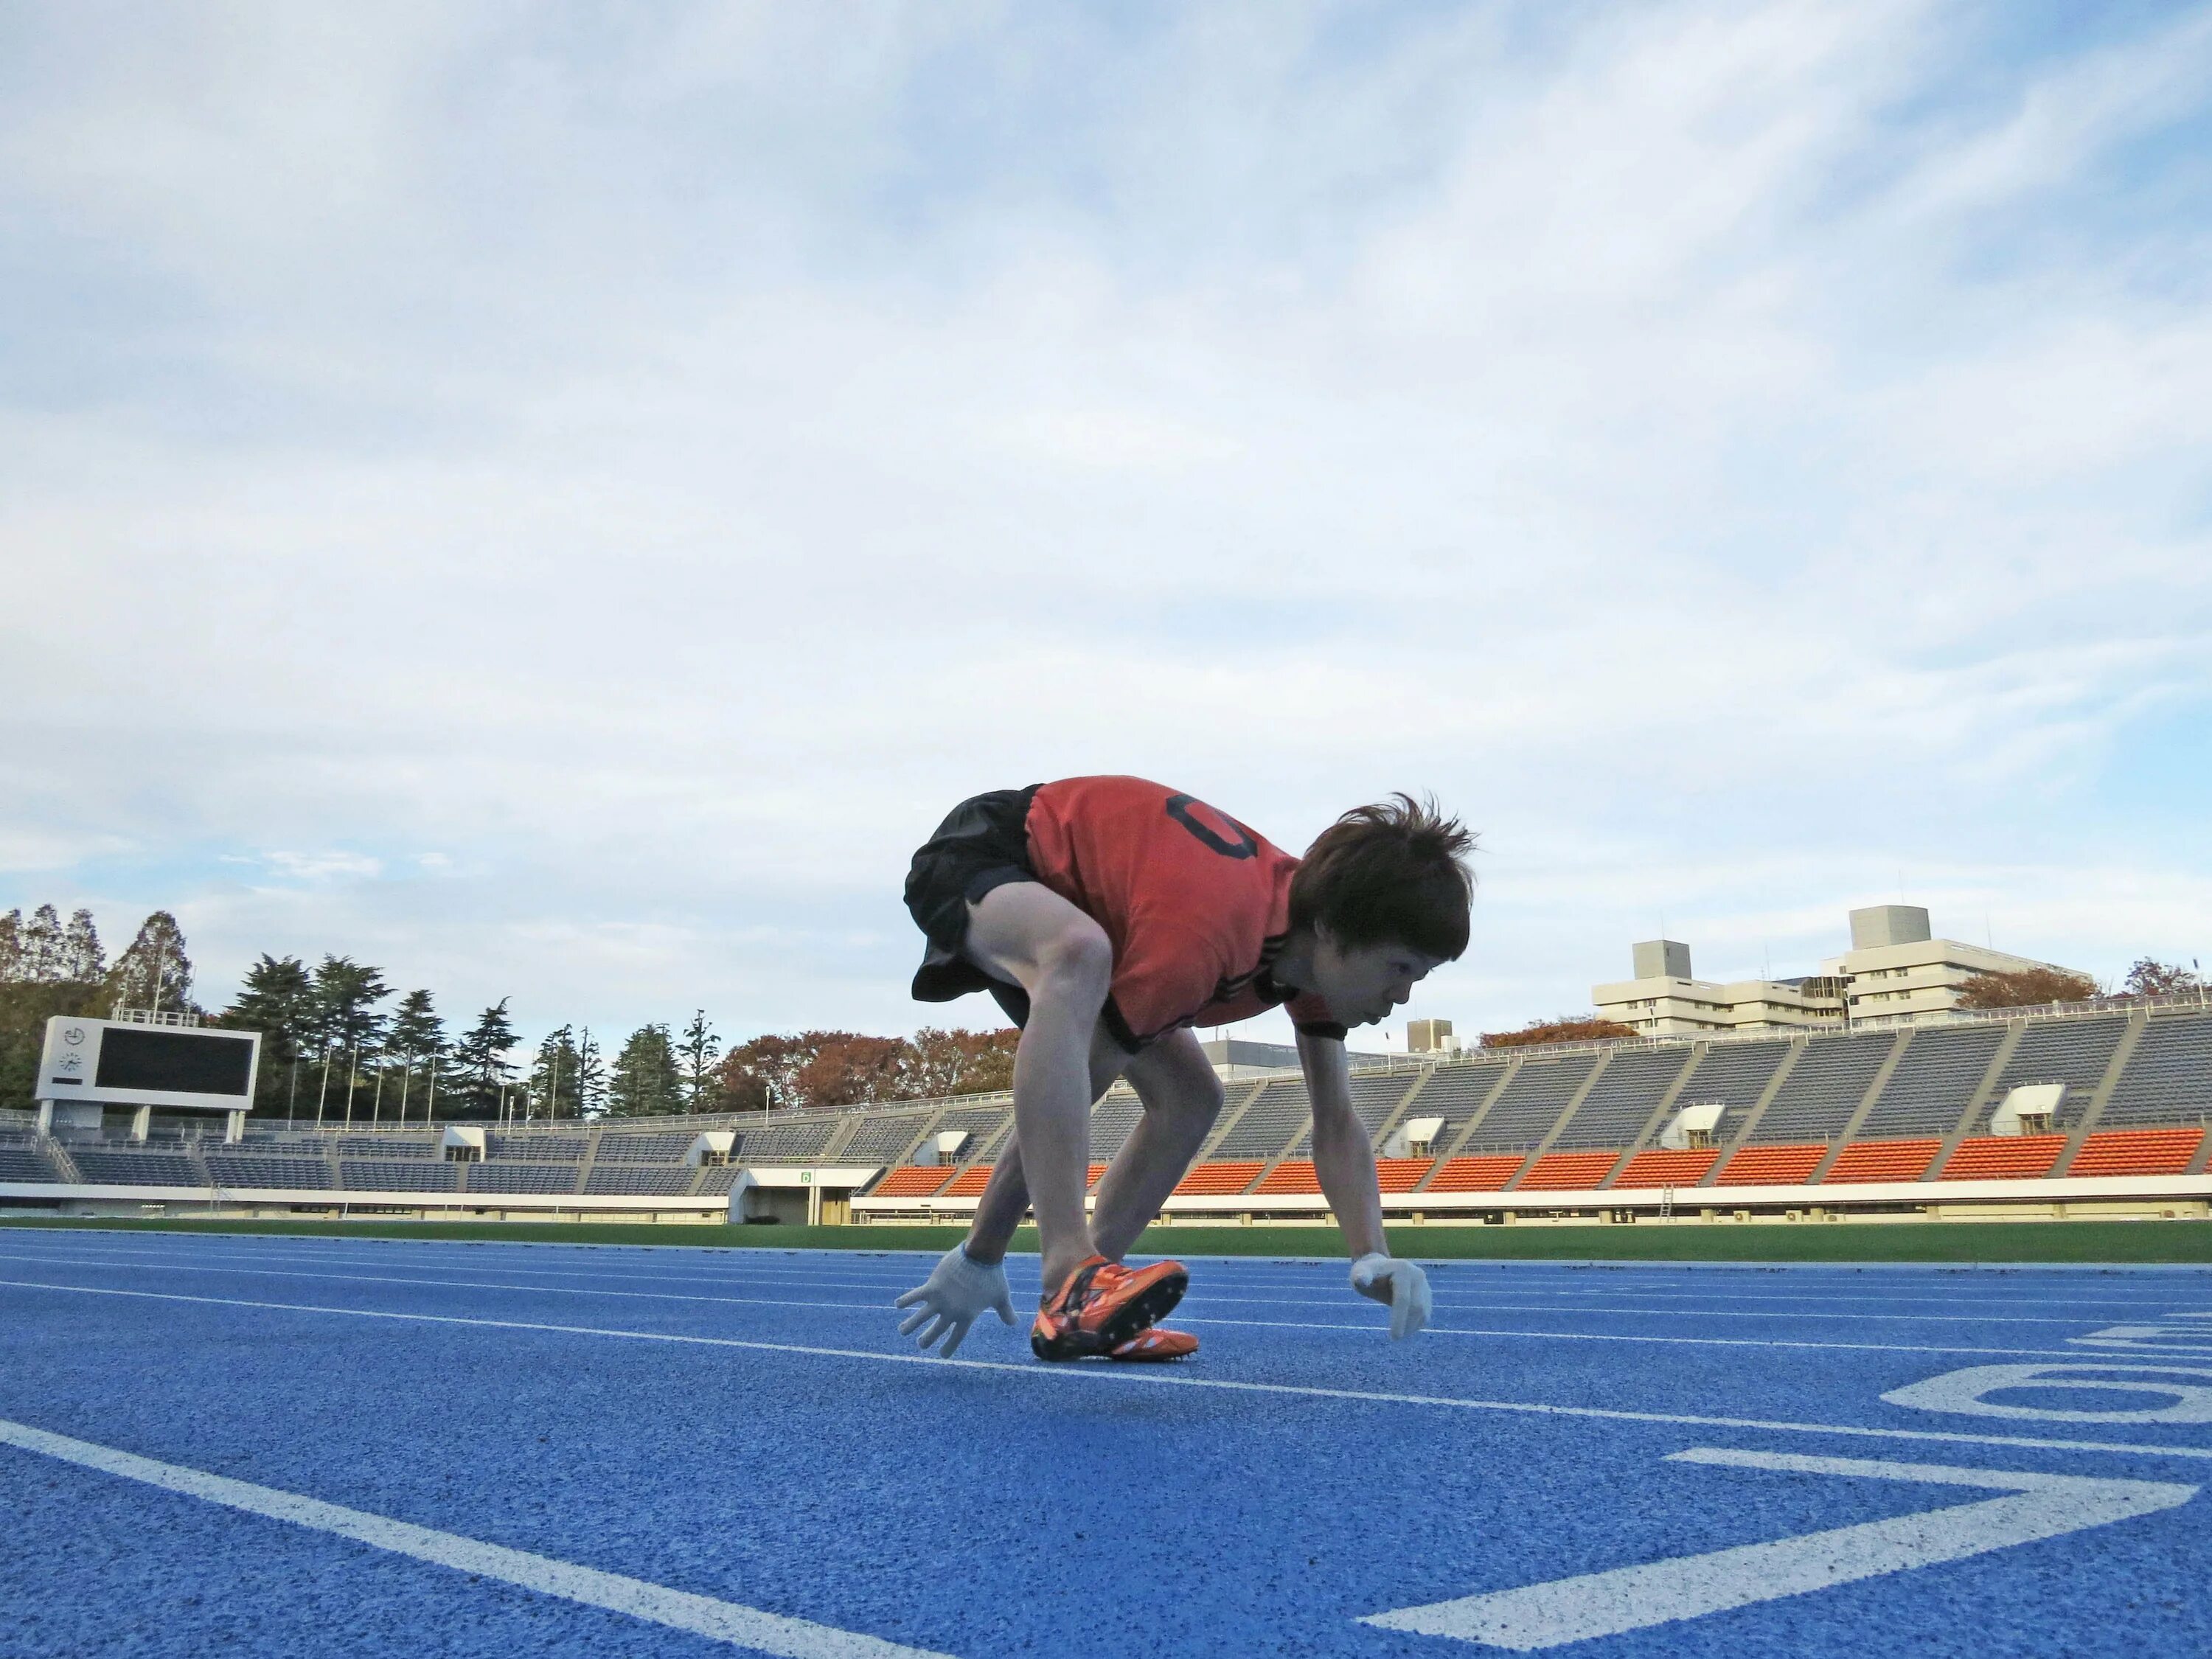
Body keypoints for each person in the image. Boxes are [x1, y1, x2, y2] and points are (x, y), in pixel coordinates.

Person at [892, 776, 1471, 1362]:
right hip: (989, 853)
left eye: (1416, 977)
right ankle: (1070, 1271)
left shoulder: (1312, 948)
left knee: (1192, 1096)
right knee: (1077, 953)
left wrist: (1370, 1254)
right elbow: (1080, 1086)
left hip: (1101, 910)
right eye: (1399, 968)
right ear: (1331, 930)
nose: (1401, 996)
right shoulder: (1205, 933)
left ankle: (1083, 1309)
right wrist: (981, 1256)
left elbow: (1336, 1121)